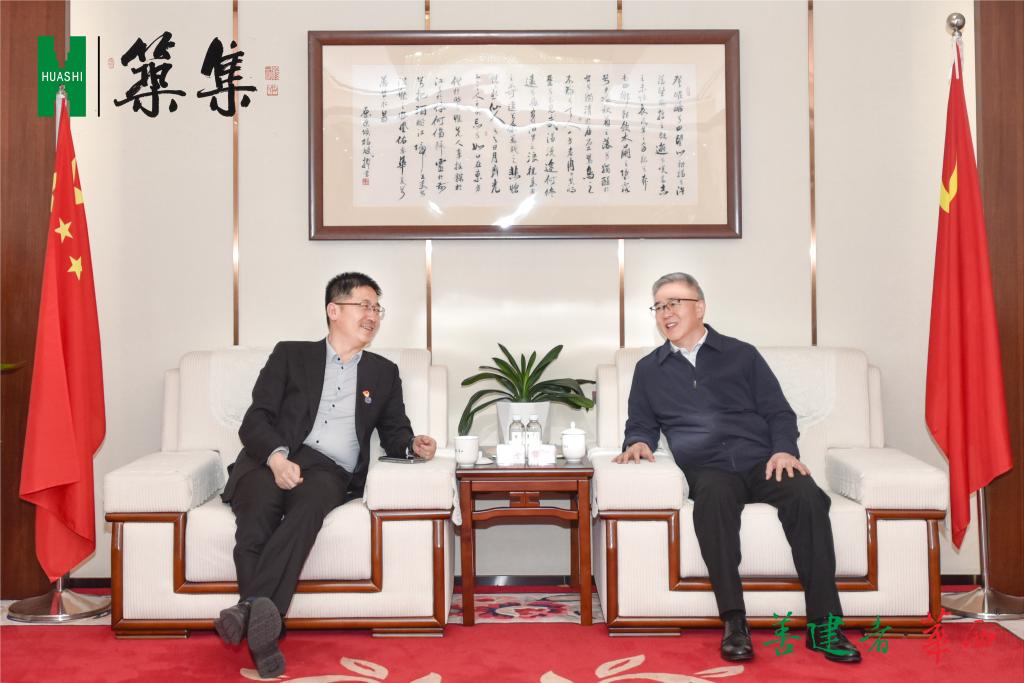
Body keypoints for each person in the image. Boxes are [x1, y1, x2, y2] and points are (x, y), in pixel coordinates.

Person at [614, 272, 860, 664]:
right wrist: (638, 442)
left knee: (808, 496)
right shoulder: (649, 369)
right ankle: (734, 622)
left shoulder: (741, 355)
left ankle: (824, 626)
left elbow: (779, 412)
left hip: (762, 461)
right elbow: (640, 422)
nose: (666, 313)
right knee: (712, 502)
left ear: (699, 307)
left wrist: (784, 451)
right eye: (658, 306)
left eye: (674, 303)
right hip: (708, 468)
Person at [214, 272, 437, 678]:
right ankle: (265, 639)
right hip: (271, 458)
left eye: (377, 308)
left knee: (307, 511)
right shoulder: (290, 355)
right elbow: (256, 419)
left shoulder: (383, 373)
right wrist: (277, 459)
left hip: (329, 470)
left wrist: (412, 446)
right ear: (334, 311)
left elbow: (394, 433)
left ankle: (248, 610)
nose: (372, 316)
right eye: (364, 306)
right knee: (256, 515)